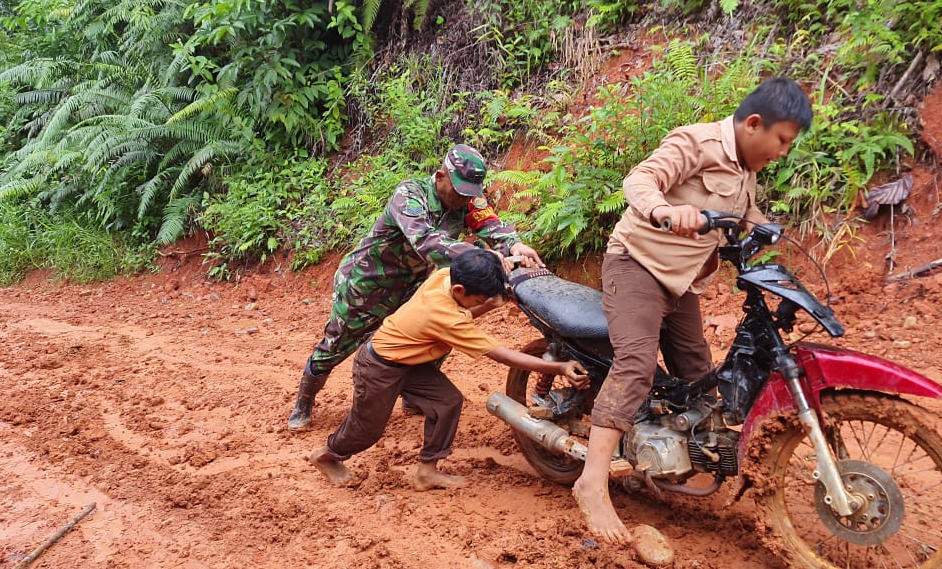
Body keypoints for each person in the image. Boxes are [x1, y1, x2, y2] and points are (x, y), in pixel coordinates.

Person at [571, 76, 814, 542]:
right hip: (637, 266)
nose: (783, 152)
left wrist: (765, 227)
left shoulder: (746, 169)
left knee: (699, 373)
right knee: (636, 365)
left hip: (683, 283)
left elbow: (743, 215)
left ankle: (682, 455)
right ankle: (592, 481)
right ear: (755, 124)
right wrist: (665, 211)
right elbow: (641, 180)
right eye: (782, 140)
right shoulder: (697, 142)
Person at [288, 143, 545, 431]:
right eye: (459, 192)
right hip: (366, 283)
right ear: (440, 177)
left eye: (470, 194)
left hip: (413, 285)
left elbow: (491, 224)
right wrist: (482, 257)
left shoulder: (469, 200)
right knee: (337, 344)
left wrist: (514, 244)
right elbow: (427, 242)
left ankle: (415, 394)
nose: (463, 200)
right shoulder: (409, 196)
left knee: (435, 334)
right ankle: (304, 401)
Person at [308, 249, 590, 489]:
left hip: (411, 362)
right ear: (460, 291)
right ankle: (328, 456)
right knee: (367, 429)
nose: (483, 304)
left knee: (447, 402)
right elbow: (501, 355)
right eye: (480, 299)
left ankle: (427, 471)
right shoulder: (444, 316)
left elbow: (486, 262)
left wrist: (510, 261)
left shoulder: (445, 275)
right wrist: (559, 367)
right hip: (379, 368)